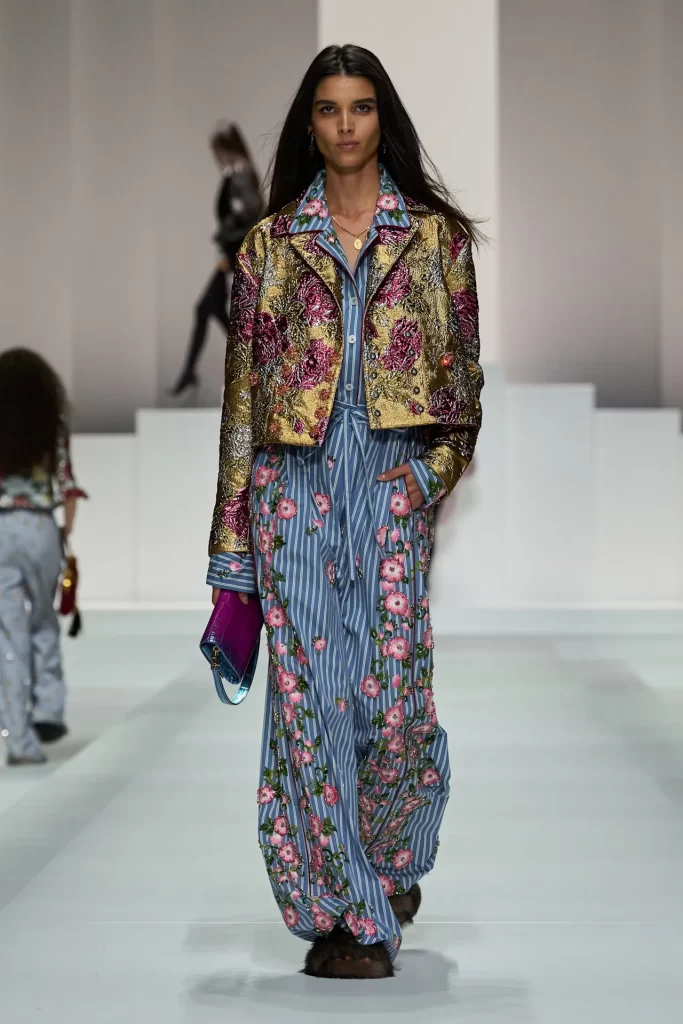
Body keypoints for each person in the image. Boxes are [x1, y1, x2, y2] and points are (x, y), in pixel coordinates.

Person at [206, 44, 483, 979]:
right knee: (309, 706)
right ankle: (346, 914)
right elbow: (241, 405)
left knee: (396, 705)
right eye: (328, 108)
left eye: (360, 106)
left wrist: (424, 481)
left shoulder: (436, 241)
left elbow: (463, 393)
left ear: (381, 117)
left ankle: (389, 857)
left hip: (389, 484)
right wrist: (232, 551)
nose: (346, 124)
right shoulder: (268, 246)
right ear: (310, 124)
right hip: (292, 489)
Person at [0, 349, 86, 766]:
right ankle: (49, 707)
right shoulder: (52, 427)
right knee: (43, 618)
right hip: (41, 528)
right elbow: (67, 485)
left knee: (8, 634)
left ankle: (20, 740)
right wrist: (64, 532)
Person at [169, 123, 262, 398]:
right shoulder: (239, 173)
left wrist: (225, 239)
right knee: (209, 308)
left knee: (206, 308)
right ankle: (198, 369)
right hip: (233, 254)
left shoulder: (240, 174)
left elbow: (250, 215)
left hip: (234, 255)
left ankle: (196, 370)